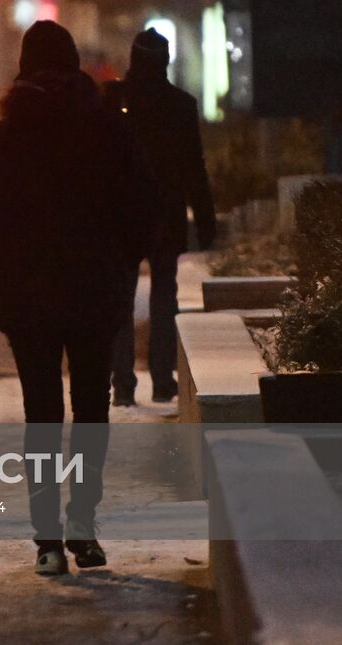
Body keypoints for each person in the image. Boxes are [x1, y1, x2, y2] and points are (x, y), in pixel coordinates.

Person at [0, 20, 151, 576]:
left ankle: (47, 541)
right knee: (89, 411)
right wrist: (128, 258)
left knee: (41, 414)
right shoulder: (107, 129)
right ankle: (84, 526)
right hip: (93, 291)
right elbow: (138, 205)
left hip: (29, 295)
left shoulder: (5, 140)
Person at [109, 29, 216, 404]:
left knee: (120, 299)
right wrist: (205, 220)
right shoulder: (181, 105)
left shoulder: (115, 100)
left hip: (121, 215)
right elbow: (194, 168)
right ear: (166, 60)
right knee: (164, 295)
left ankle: (122, 384)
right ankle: (161, 379)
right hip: (165, 213)